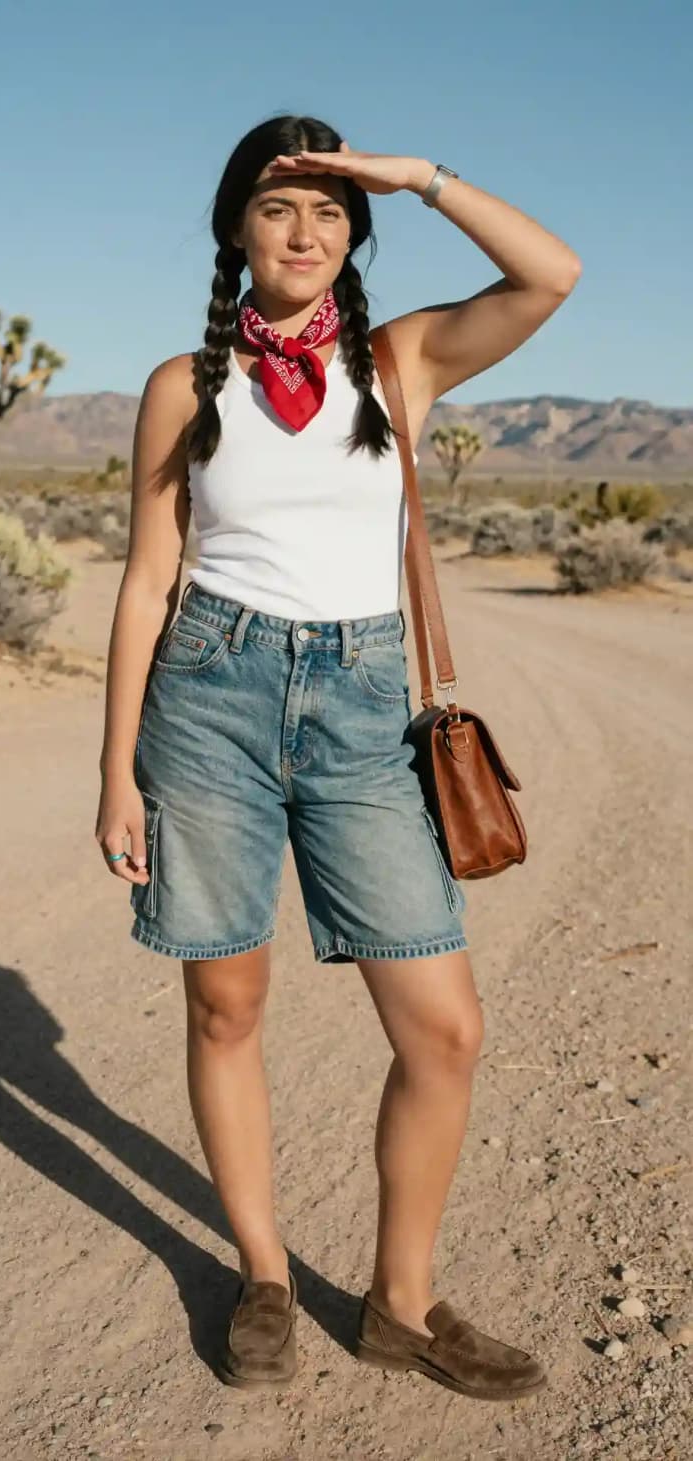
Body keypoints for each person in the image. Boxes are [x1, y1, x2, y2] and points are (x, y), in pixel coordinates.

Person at [95, 114, 581, 1399]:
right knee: (226, 1005)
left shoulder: (401, 361)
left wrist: (414, 178)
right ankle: (263, 1274)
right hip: (209, 697)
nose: (304, 231)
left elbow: (551, 275)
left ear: (353, 230)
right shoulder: (182, 388)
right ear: (235, 228)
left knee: (445, 1030)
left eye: (326, 211)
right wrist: (113, 774)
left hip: (364, 707)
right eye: (276, 206)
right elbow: (147, 584)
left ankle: (402, 1305)